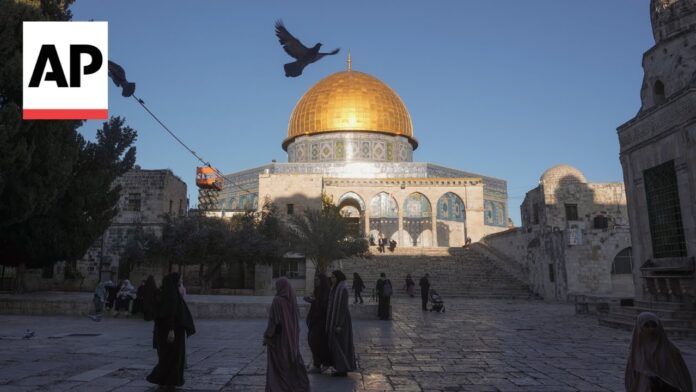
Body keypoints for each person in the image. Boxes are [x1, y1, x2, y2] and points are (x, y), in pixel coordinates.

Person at [147, 272, 196, 388]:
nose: (181, 281)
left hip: (163, 331)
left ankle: (163, 379)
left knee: (166, 355)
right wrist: (171, 330)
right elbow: (171, 314)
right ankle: (169, 380)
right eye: (180, 279)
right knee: (174, 356)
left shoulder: (163, 293)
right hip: (173, 331)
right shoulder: (172, 296)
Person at [625, 312, 692, 392]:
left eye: (654, 325)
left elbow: (682, 376)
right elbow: (631, 377)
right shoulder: (636, 350)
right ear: (640, 327)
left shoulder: (670, 349)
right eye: (646, 325)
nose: (651, 329)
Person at [264, 277, 310, 391]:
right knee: (291, 361)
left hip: (279, 340)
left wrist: (267, 336)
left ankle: (278, 387)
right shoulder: (292, 300)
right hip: (292, 338)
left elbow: (273, 321)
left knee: (278, 365)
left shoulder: (277, 300)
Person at [326, 270, 356, 377]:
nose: (332, 279)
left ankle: (342, 369)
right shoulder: (334, 288)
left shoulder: (342, 289)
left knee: (341, 344)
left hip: (341, 321)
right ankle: (339, 367)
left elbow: (343, 308)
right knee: (336, 344)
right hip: (334, 319)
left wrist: (339, 324)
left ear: (338, 278)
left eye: (334, 277)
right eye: (331, 277)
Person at [304, 273, 332, 374]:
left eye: (317, 280)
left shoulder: (326, 291)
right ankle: (318, 363)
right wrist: (312, 301)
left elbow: (324, 305)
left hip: (321, 322)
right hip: (315, 321)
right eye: (315, 279)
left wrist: (314, 301)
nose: (315, 281)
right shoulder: (318, 290)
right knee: (313, 342)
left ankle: (320, 364)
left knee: (317, 343)